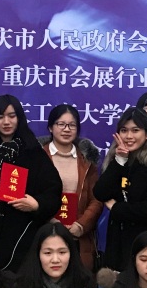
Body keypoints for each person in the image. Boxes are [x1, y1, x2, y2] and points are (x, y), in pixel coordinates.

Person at [0, 94, 62, 272]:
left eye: (12, 116)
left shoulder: (32, 150)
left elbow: (53, 189)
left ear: (19, 118)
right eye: (0, 117)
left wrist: (37, 205)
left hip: (20, 231)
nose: (6, 122)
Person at [92, 107, 147, 273]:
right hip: (117, 240)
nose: (129, 136)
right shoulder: (115, 160)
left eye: (135, 130)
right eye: (124, 130)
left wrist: (117, 208)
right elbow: (100, 193)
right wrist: (120, 161)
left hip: (145, 241)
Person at [41, 103, 103, 270]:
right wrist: (50, 222)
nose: (66, 129)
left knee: (79, 282)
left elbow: (96, 199)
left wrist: (81, 225)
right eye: (61, 124)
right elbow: (31, 195)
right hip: (45, 233)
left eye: (72, 125)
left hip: (78, 237)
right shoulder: (38, 157)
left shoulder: (87, 161)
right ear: (50, 127)